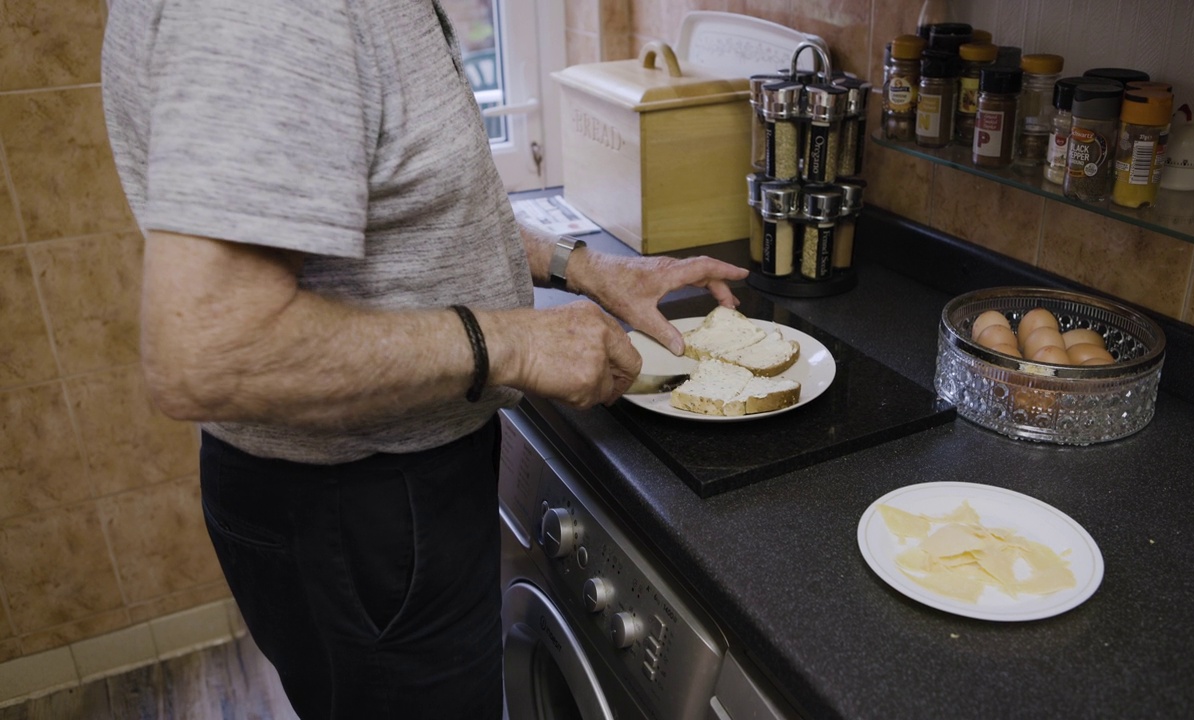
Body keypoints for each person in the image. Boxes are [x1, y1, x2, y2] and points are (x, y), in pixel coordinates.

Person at [101, 1, 748, 717]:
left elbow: (410, 199)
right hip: (357, 512)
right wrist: (511, 341)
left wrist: (585, 267)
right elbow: (209, 348)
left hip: (379, 494)